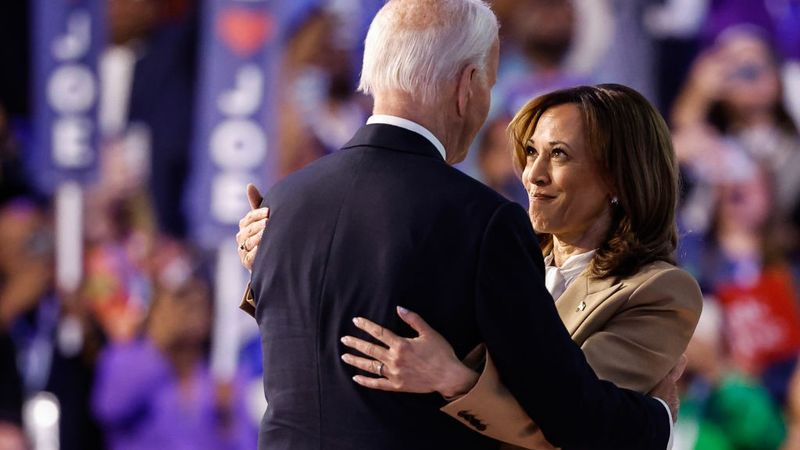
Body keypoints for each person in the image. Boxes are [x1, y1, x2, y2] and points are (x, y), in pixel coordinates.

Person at [237, 1, 679, 449]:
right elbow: (566, 410)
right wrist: (656, 418)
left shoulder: (279, 207)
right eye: (488, 82)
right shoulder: (483, 222)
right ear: (466, 86)